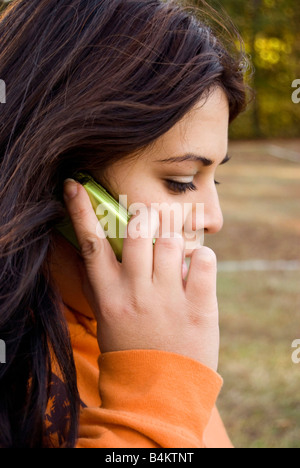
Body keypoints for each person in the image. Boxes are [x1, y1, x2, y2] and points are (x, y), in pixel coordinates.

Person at [0, 0, 248, 448]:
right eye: (182, 180)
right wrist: (154, 392)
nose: (214, 219)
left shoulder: (143, 328)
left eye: (216, 176)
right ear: (65, 183)